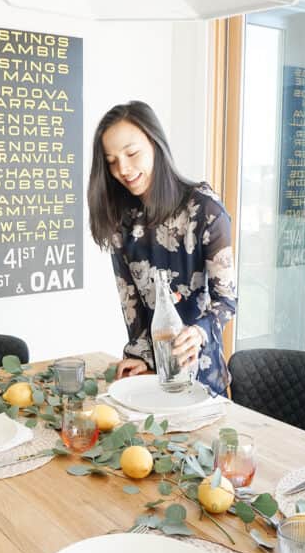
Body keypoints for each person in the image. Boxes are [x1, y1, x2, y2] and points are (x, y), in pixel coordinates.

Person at [87, 101, 237, 396]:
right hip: (150, 376)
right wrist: (140, 356)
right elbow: (132, 302)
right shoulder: (122, 219)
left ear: (155, 143)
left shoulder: (205, 210)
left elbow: (227, 300)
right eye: (112, 161)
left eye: (131, 154)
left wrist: (199, 332)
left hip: (200, 378)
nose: (123, 169)